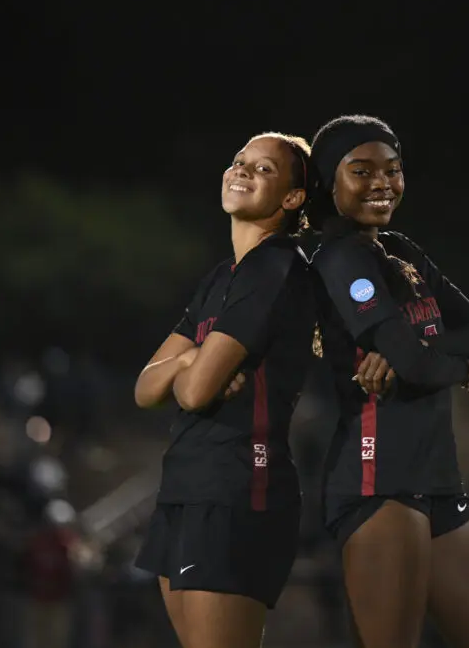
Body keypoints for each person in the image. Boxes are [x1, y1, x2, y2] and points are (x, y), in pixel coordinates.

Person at [306, 115, 469, 648]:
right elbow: (420, 367)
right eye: (361, 171)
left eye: (393, 169)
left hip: (439, 480)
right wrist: (464, 367)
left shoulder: (402, 251)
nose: (382, 182)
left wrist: (420, 347)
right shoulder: (339, 259)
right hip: (380, 482)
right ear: (329, 183)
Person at [133, 132, 315, 648]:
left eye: (263, 169)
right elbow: (145, 387)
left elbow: (192, 394)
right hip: (186, 487)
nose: (242, 171)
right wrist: (189, 359)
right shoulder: (221, 277)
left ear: (292, 197)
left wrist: (188, 369)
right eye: (239, 161)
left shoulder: (276, 266)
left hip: (238, 488)